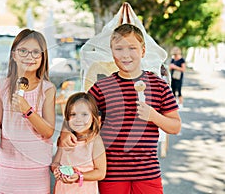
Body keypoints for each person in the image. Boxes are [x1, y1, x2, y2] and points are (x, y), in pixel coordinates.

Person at [60, 24, 181, 194]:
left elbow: (175, 127)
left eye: (132, 48)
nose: (125, 55)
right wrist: (66, 132)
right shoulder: (101, 88)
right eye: (119, 49)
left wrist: (154, 116)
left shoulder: (159, 86)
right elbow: (77, 114)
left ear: (143, 51)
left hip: (147, 173)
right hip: (112, 173)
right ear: (112, 52)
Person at [0, 28, 56, 194]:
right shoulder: (2, 86)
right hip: (8, 166)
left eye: (36, 52)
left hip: (36, 168)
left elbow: (48, 131)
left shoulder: (47, 89)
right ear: (14, 55)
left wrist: (27, 110)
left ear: (43, 57)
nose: (29, 56)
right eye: (23, 50)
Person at [51, 92, 106, 194]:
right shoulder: (65, 140)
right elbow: (55, 163)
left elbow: (101, 172)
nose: (78, 119)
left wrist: (79, 176)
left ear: (93, 117)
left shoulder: (95, 141)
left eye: (84, 114)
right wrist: (57, 170)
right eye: (73, 114)